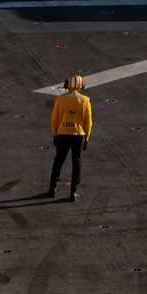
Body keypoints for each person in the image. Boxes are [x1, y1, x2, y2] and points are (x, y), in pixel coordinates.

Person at [46, 73, 92, 202]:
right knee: (76, 162)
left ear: (68, 85)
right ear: (81, 86)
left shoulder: (60, 99)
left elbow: (54, 119)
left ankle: (52, 188)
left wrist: (55, 134)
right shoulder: (85, 100)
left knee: (58, 161)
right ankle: (73, 191)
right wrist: (87, 138)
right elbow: (88, 122)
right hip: (78, 135)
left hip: (62, 134)